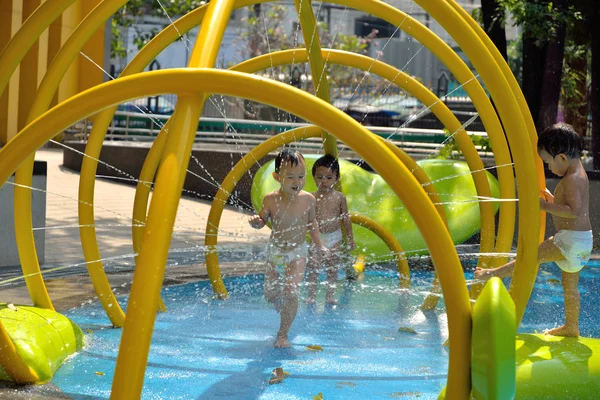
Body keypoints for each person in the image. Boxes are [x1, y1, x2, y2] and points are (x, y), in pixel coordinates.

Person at [475, 123, 593, 337]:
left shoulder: (572, 179)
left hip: (569, 241)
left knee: (529, 257)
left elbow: (573, 212)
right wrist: (552, 198)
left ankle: (494, 274)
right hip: (583, 242)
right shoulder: (579, 174)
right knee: (570, 286)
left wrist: (545, 206)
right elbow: (572, 205)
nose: (549, 168)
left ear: (563, 158)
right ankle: (571, 326)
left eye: (548, 162)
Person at [249, 149, 327, 348]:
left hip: (298, 252)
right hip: (276, 251)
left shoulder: (309, 200)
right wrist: (256, 222)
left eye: (301, 177)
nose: (296, 182)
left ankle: (282, 335)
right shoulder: (270, 199)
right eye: (290, 177)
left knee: (291, 292)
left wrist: (319, 246)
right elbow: (262, 220)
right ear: (277, 177)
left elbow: (313, 225)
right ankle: (277, 300)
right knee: (271, 294)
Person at [306, 155, 356, 305]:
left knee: (332, 268)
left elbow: (345, 219)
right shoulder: (311, 197)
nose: (324, 181)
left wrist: (350, 238)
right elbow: (306, 220)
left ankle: (330, 295)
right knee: (313, 267)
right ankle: (311, 296)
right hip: (317, 237)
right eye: (319, 177)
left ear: (336, 178)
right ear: (314, 177)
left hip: (334, 236)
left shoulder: (340, 197)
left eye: (328, 177)